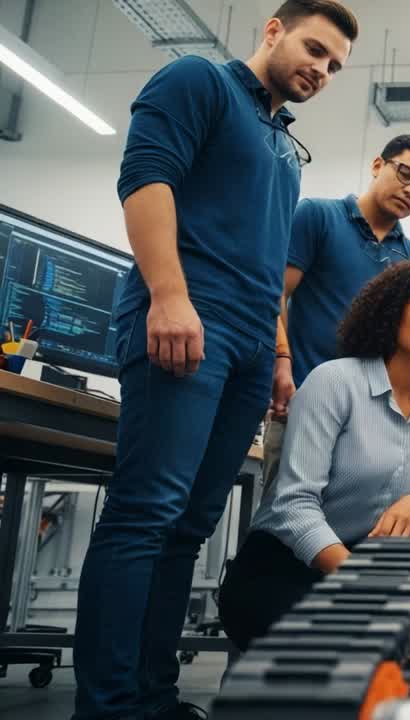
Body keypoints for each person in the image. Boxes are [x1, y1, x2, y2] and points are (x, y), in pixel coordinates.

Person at [73, 2, 358, 718]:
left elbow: (268, 268)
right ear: (273, 29)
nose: (321, 71)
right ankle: (107, 706)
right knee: (146, 513)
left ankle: (154, 696)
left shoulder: (283, 146)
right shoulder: (197, 81)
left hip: (251, 349)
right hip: (185, 321)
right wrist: (169, 296)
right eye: (315, 50)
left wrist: (280, 356)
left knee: (190, 526)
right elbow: (145, 180)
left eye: (334, 66)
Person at [218, 261, 410, 650]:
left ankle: (390, 633)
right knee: (344, 640)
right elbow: (293, 506)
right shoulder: (334, 381)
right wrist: (354, 581)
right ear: (393, 309)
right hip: (289, 566)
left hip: (372, 565)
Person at [264, 134, 410, 491]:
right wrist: (281, 363)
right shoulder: (317, 216)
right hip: (302, 398)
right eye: (405, 173)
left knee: (348, 525)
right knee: (283, 518)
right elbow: (275, 294)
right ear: (378, 165)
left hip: (367, 419)